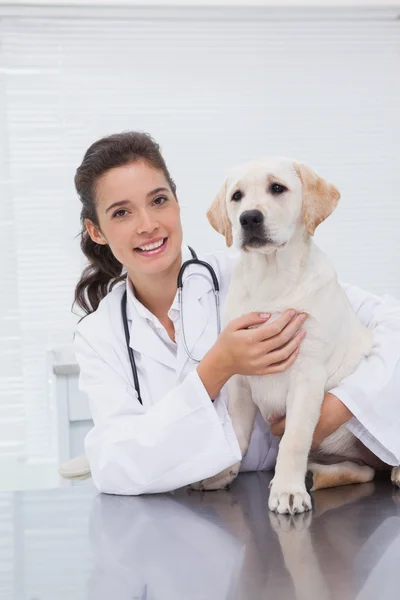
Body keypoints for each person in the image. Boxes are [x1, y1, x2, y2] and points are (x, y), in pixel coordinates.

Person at [72, 131, 400, 495]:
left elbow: (390, 322)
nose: (147, 224)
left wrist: (343, 405)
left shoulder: (264, 273)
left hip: (291, 492)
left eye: (159, 200)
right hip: (203, 514)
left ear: (178, 204)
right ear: (96, 231)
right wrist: (218, 367)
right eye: (121, 212)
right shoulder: (98, 336)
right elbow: (115, 465)